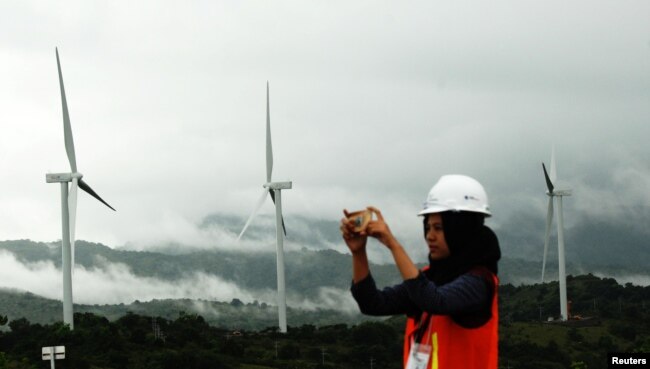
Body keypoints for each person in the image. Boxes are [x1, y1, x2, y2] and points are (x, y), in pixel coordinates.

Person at [340, 174, 501, 369]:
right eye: (428, 227)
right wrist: (358, 253)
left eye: (439, 228)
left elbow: (434, 300)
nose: (430, 236)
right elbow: (372, 303)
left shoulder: (478, 283)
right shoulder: (429, 278)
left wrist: (393, 244)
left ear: (462, 230)